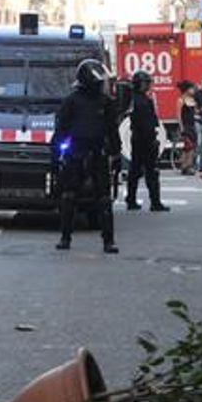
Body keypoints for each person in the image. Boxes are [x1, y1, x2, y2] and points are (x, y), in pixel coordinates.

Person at [52, 57, 121, 254]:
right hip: (76, 152)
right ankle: (66, 237)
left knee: (103, 198)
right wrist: (56, 154)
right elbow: (61, 129)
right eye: (100, 81)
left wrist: (115, 152)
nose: (103, 85)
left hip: (97, 151)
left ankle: (108, 239)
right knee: (69, 196)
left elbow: (112, 129)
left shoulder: (105, 102)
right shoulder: (72, 101)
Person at [125, 70, 169, 212]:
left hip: (138, 138)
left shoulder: (134, 99)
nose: (148, 85)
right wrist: (152, 139)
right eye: (146, 83)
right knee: (151, 171)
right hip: (145, 138)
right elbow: (147, 122)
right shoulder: (142, 100)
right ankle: (155, 202)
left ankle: (131, 200)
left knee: (135, 170)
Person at [178, 81, 197, 175]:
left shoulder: (192, 100)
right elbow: (178, 115)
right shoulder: (181, 100)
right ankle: (187, 166)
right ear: (186, 90)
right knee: (189, 146)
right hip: (186, 125)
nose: (193, 90)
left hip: (193, 124)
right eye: (191, 88)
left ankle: (186, 165)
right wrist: (181, 127)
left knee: (190, 146)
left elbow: (195, 112)